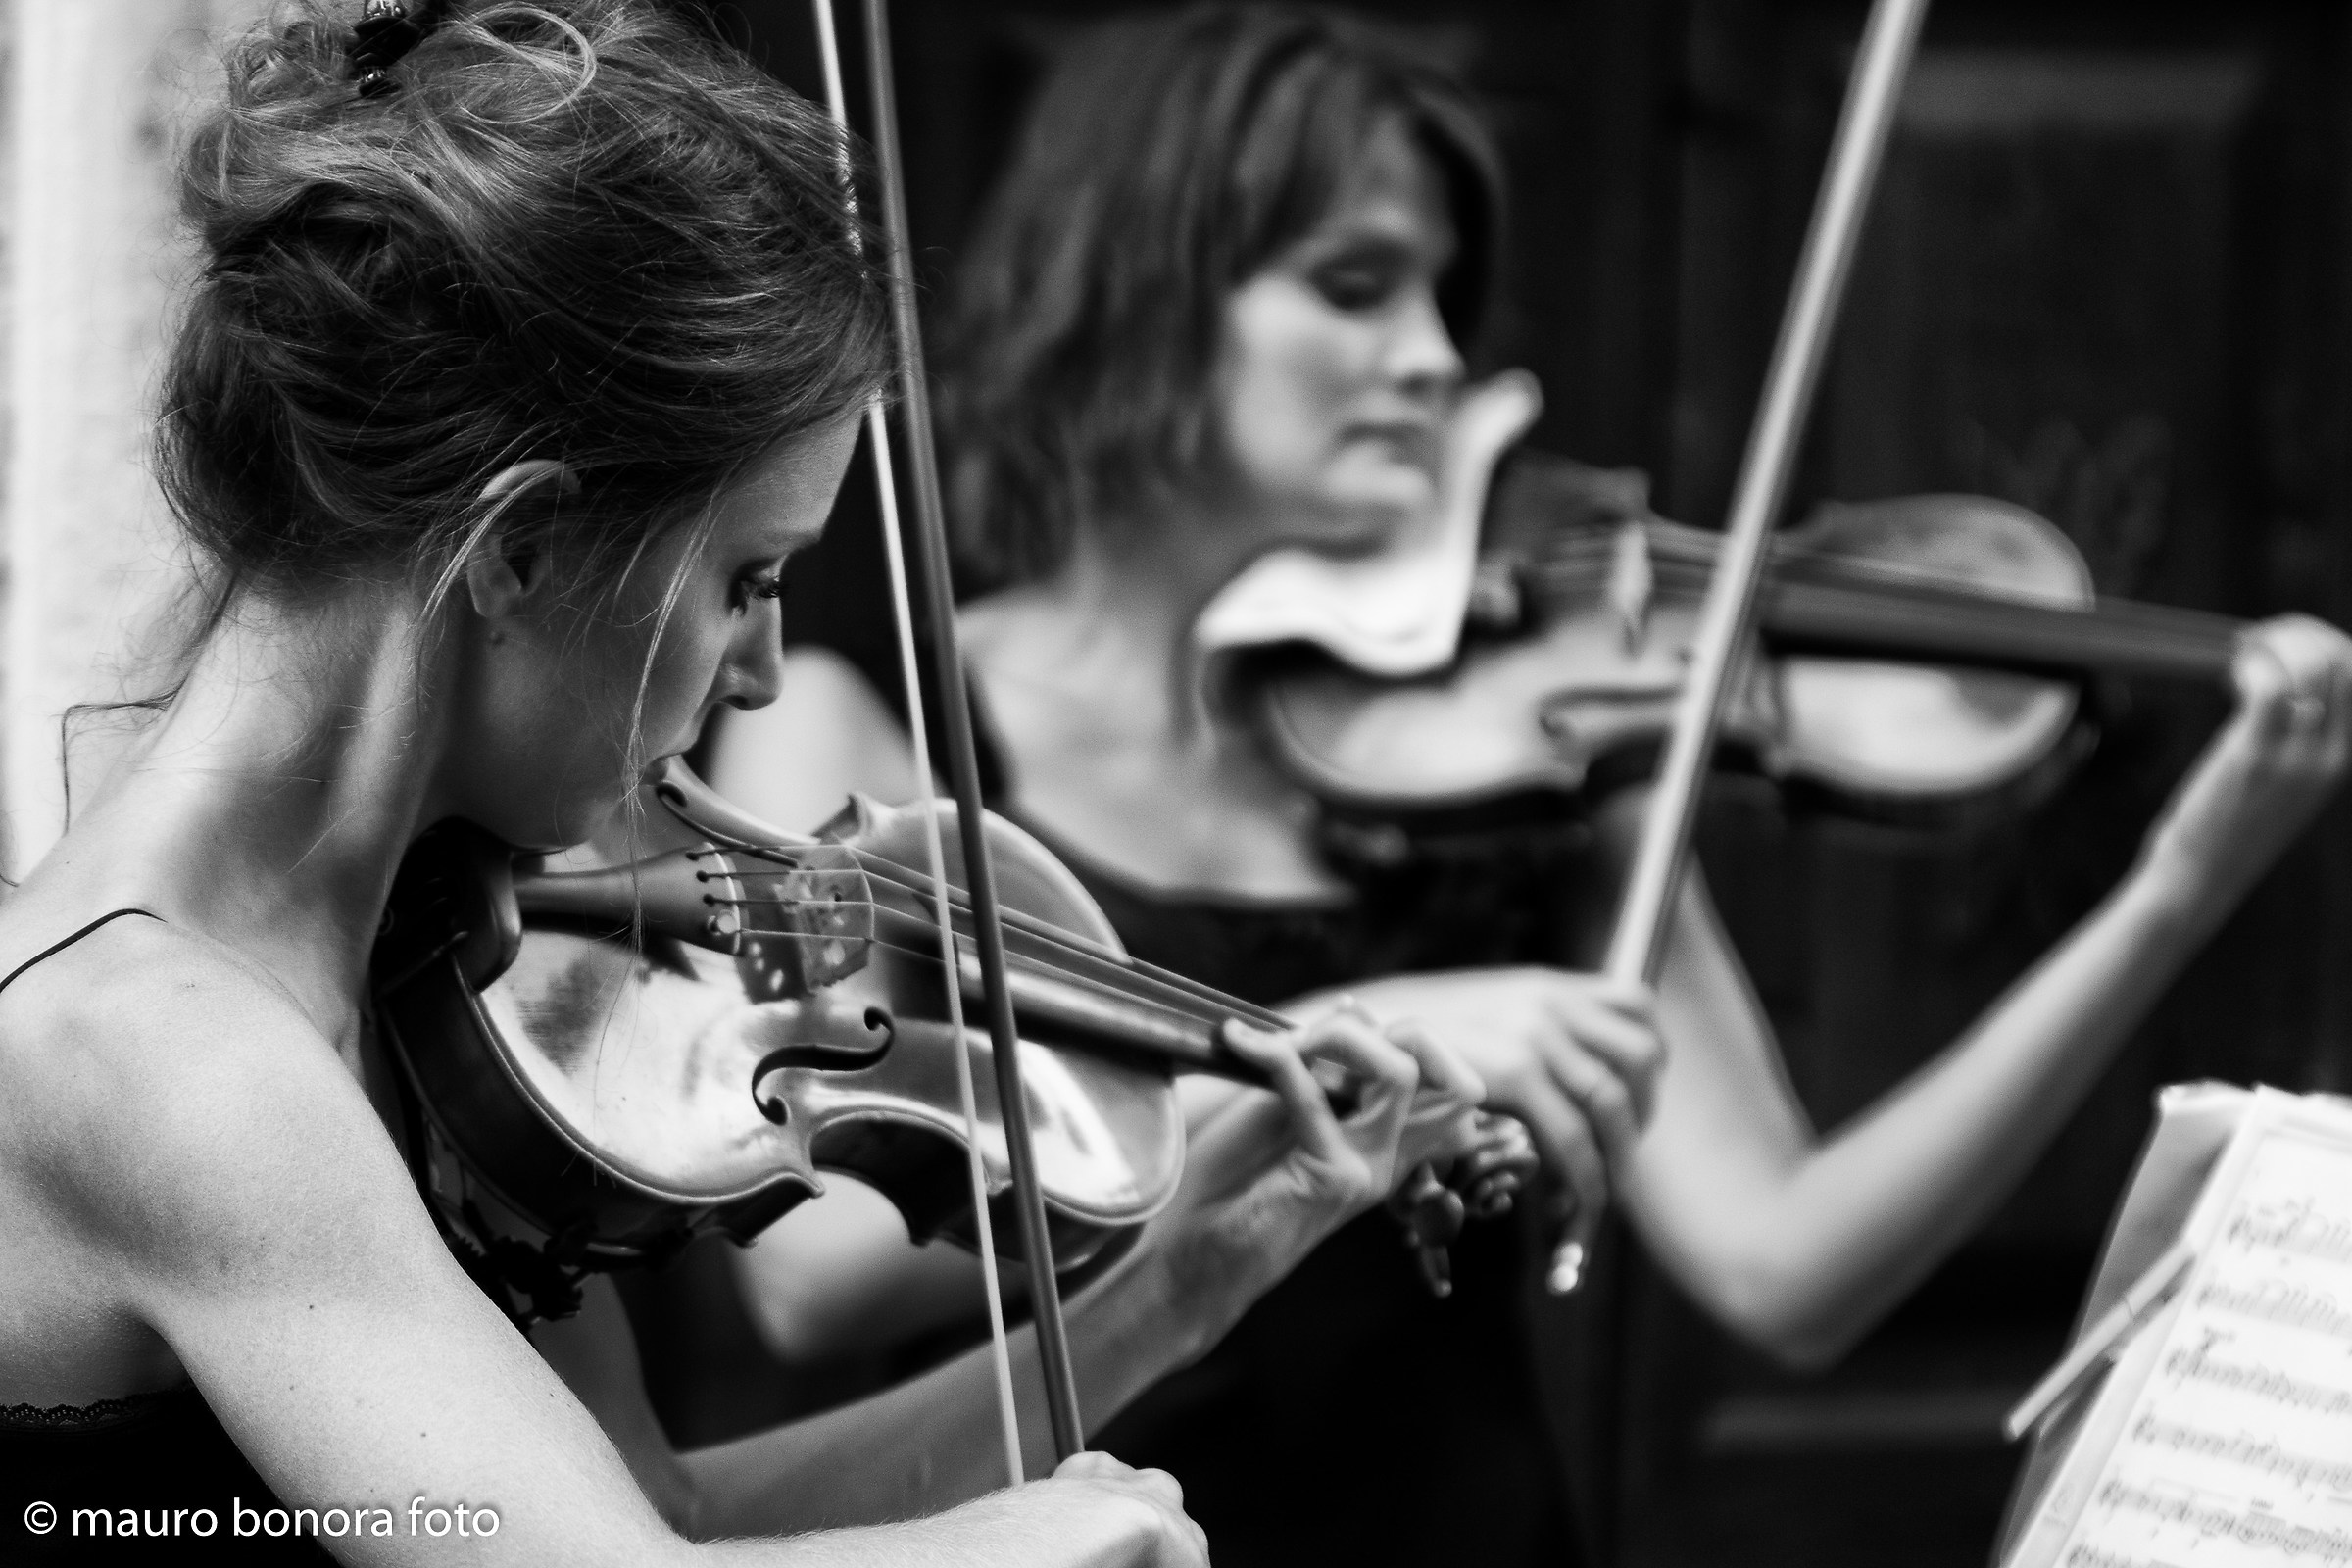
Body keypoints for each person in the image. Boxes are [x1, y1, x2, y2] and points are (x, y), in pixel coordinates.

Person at [707, 6, 2352, 1566]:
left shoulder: (1532, 760)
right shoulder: (862, 732)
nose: (1431, 358)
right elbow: (807, 1272)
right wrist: (1361, 1037)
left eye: (1442, 298)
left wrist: (2174, 895)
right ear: (1135, 287)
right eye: (1355, 286)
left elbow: (1792, 1270)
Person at [0, 3, 1494, 1563]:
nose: (765, 669)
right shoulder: (159, 1056)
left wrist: (1186, 1268)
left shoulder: (406, 990)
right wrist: (1029, 1547)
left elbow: (660, 1514)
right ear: (520, 548)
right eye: (749, 576)